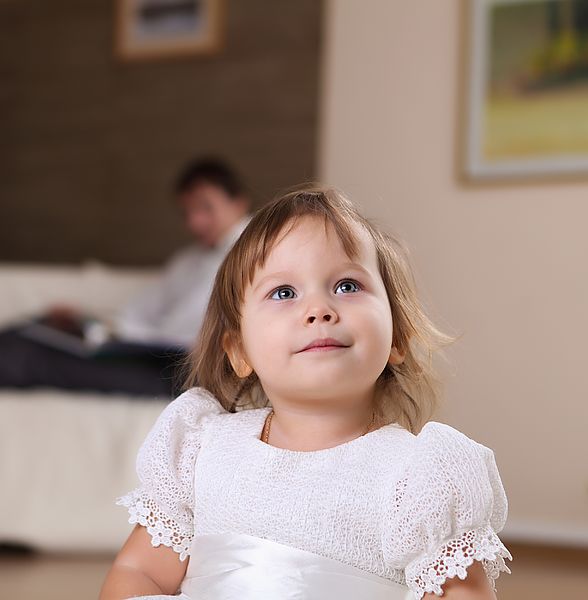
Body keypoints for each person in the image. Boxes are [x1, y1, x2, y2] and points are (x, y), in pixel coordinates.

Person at [99, 185, 513, 599]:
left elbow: (462, 593)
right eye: (284, 293)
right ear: (239, 351)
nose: (319, 309)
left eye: (347, 286)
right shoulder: (201, 451)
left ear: (396, 339)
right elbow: (141, 572)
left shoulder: (418, 476)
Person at [0, 157, 252, 397]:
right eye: (187, 212)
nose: (195, 222)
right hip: (149, 354)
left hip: (185, 373)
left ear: (238, 203)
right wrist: (87, 321)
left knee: (31, 358)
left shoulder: (255, 253)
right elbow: (139, 315)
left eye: (206, 207)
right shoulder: (187, 260)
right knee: (31, 332)